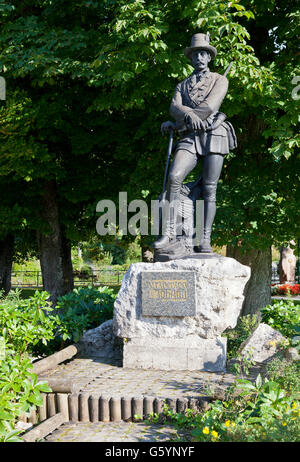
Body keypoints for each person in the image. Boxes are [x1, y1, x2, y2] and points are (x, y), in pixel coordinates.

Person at [153, 33, 237, 253]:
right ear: (190, 58)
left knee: (209, 189)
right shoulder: (182, 85)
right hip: (190, 137)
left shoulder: (220, 79)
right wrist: (187, 116)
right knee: (174, 178)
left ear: (209, 57)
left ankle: (205, 239)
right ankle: (168, 235)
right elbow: (174, 107)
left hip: (215, 134)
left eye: (203, 53)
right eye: (196, 54)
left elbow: (211, 105)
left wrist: (188, 115)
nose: (199, 57)